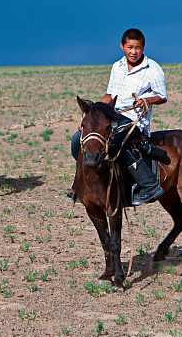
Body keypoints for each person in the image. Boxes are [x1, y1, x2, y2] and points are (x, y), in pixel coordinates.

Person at [67, 28, 168, 206]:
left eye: (137, 47)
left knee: (117, 142)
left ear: (143, 47)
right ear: (122, 46)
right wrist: (91, 117)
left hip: (133, 120)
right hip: (112, 116)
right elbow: (109, 96)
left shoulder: (153, 69)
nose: (134, 51)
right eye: (130, 47)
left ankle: (149, 185)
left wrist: (146, 100)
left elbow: (162, 96)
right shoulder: (117, 67)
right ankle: (80, 182)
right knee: (78, 139)